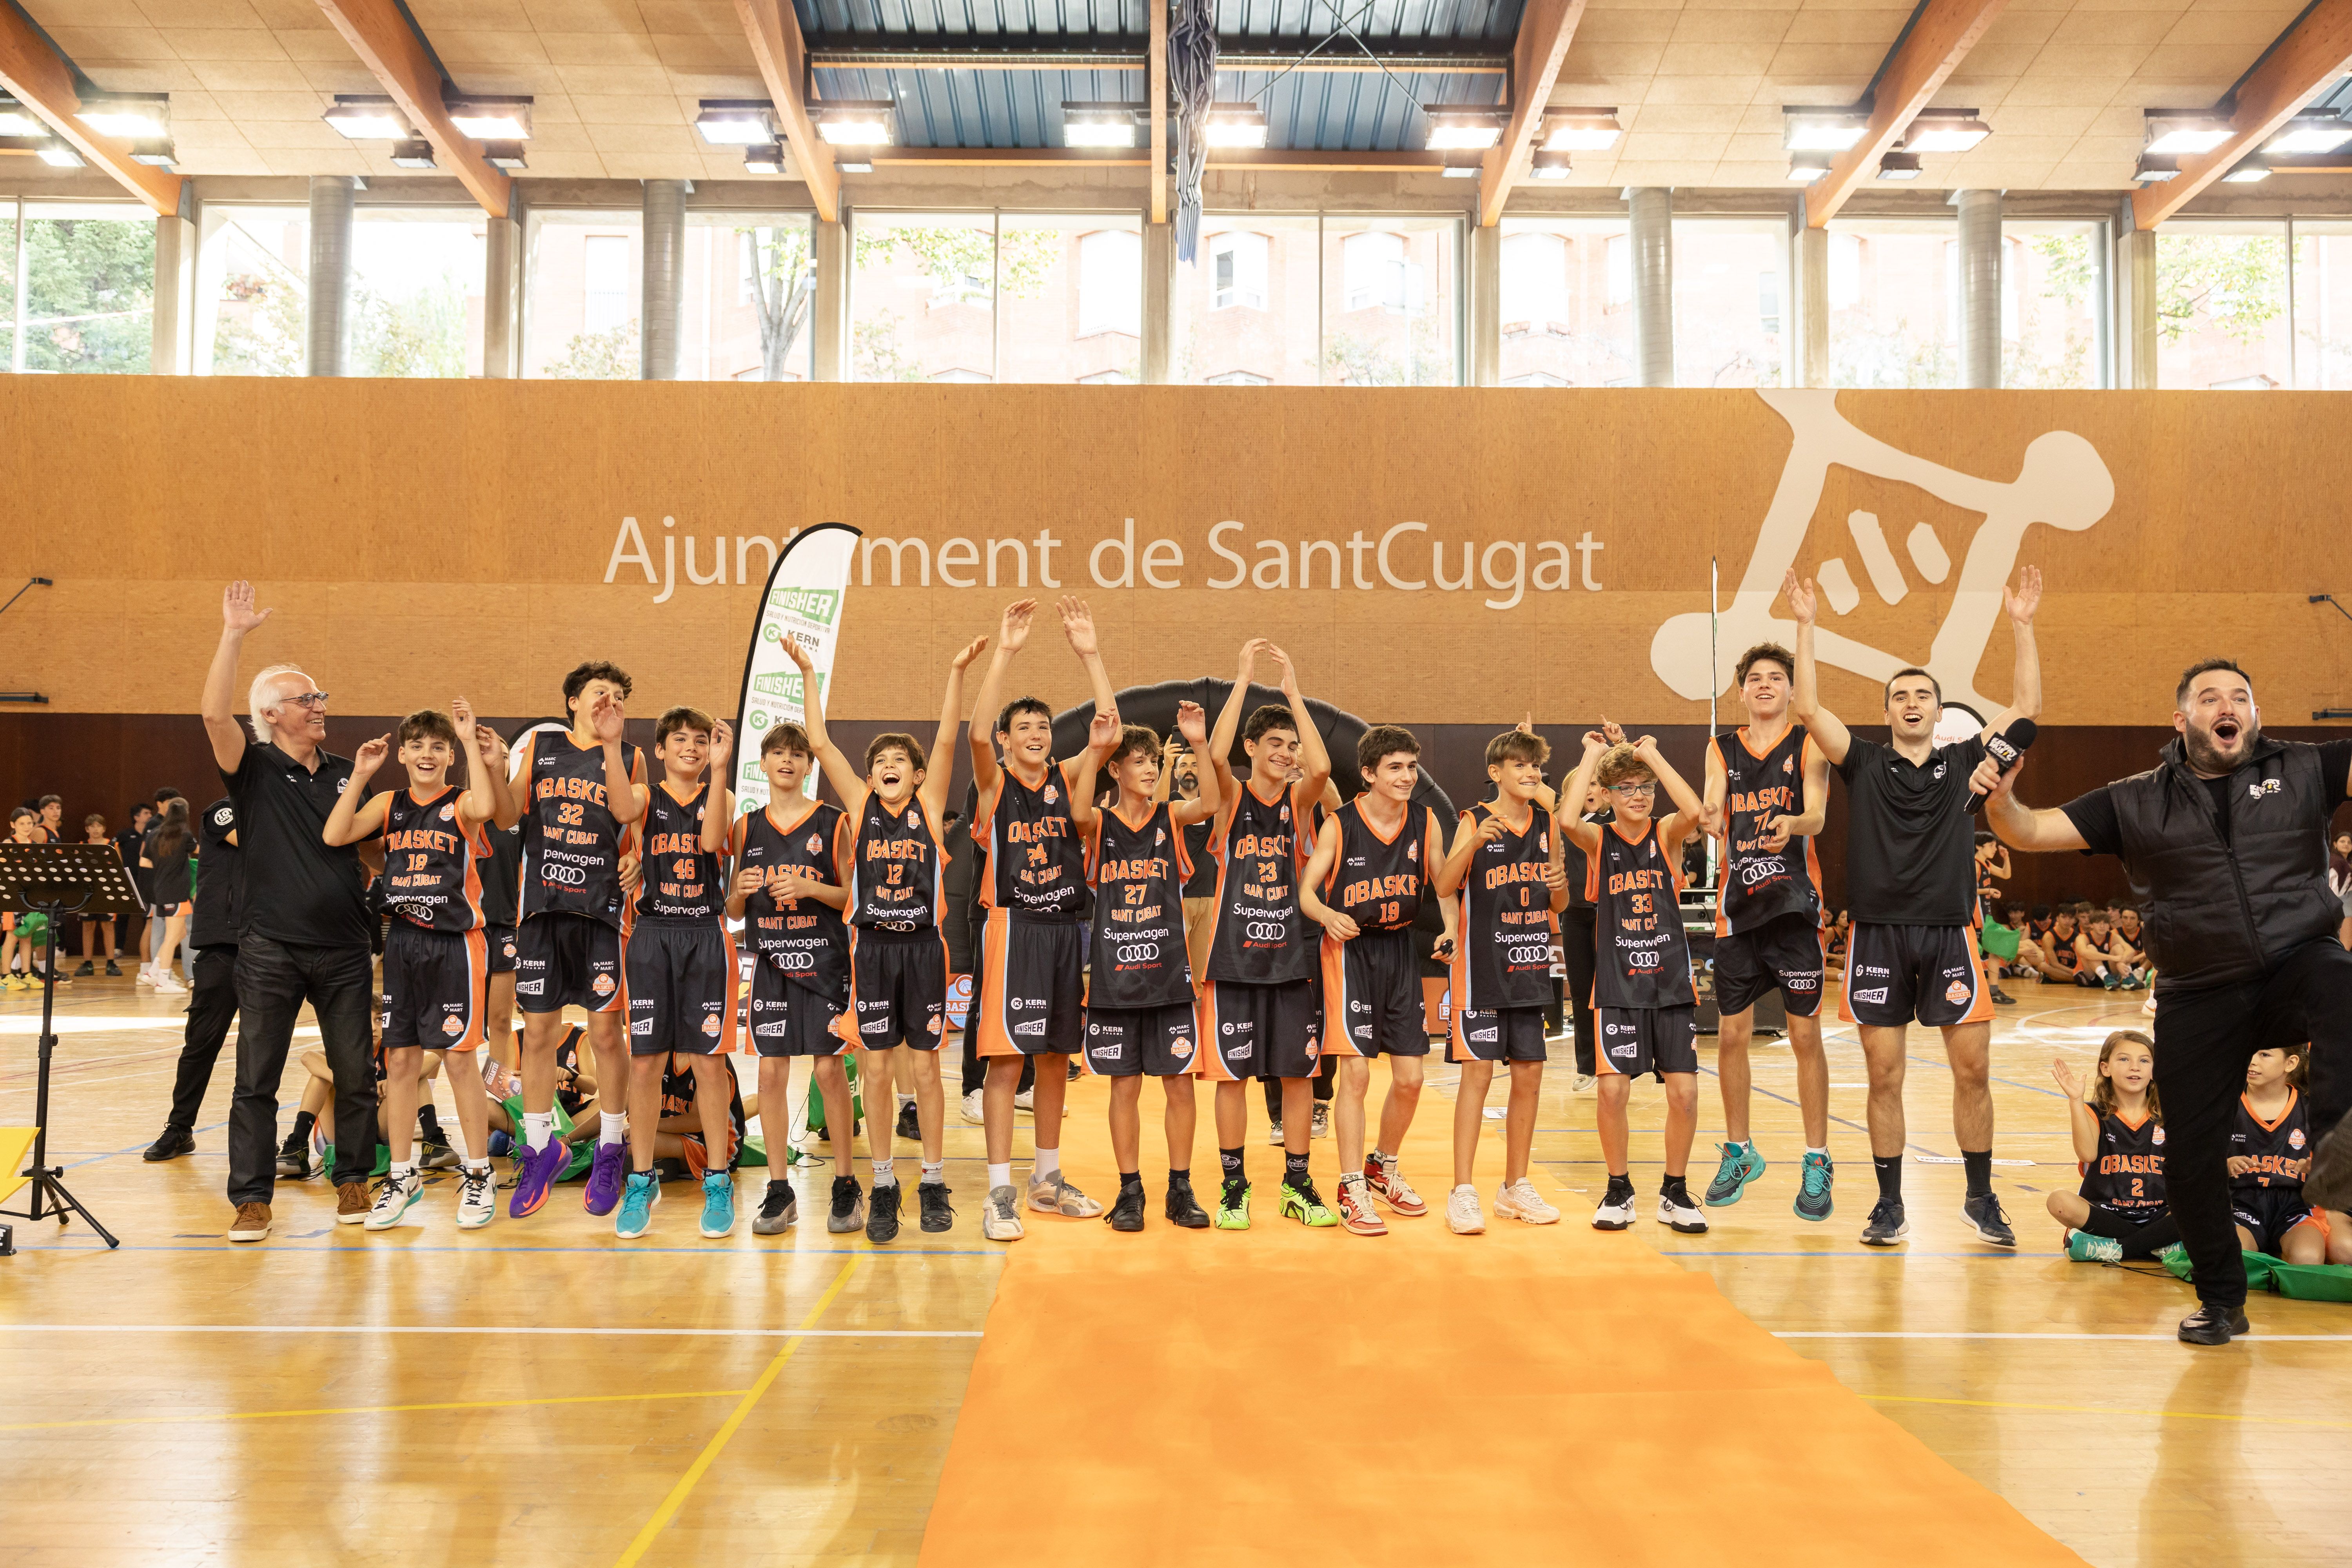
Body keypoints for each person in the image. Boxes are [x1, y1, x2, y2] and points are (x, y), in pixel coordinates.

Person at [1985, 657, 2352, 1342]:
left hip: (2296, 960)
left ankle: (2338, 1148)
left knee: (2343, 981)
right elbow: (2028, 831)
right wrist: (2001, 797)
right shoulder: (2133, 800)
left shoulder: (2308, 767)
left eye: (2241, 696)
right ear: (2181, 720)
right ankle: (2222, 1301)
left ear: (2255, 716)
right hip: (2198, 990)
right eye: (2210, 697)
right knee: (2187, 1161)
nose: (2229, 705)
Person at [1788, 563, 2040, 1250]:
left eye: (1922, 695)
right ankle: (1890, 1205)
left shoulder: (1965, 762)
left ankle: (1981, 1199)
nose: (1910, 703)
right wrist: (1807, 626)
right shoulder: (1863, 762)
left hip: (1949, 934)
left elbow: (2024, 711)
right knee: (1884, 1076)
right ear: (1888, 709)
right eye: (1900, 695)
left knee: (1974, 1071)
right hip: (1877, 937)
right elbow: (1808, 709)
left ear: (1937, 710)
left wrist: (2021, 627)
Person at [791, 633, 985, 1240]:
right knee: (875, 1071)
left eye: (901, 761)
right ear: (870, 776)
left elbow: (950, 736)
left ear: (919, 774)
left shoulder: (928, 807)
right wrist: (807, 671)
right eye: (881, 763)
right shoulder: (859, 804)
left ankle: (930, 1179)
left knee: (925, 1072)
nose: (889, 768)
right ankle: (881, 1182)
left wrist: (956, 669)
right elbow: (819, 741)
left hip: (924, 949)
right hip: (871, 949)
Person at [202, 581, 380, 1243]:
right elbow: (215, 718)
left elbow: (371, 854)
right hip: (270, 948)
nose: (319, 707)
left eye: (320, 697)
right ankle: (252, 1198)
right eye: (308, 699)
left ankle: (355, 1179)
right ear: (273, 714)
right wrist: (234, 636)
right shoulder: (250, 769)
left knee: (356, 1071)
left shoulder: (346, 771)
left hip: (342, 949)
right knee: (257, 1076)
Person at [964, 597, 1123, 1242]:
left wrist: (1090, 654)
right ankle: (1000, 1190)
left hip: (1066, 932)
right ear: (1008, 740)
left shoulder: (1068, 776)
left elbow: (1108, 729)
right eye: (1024, 728)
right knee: (1008, 1063)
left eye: (1043, 727)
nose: (1036, 735)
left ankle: (1047, 1181)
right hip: (1013, 929)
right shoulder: (996, 785)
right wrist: (1005, 651)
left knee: (1057, 1058)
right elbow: (976, 734)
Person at [321, 702, 513, 1232]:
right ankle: (402, 1176)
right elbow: (336, 836)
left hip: (457, 944)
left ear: (450, 756)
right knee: (401, 1063)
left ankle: (478, 1173)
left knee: (457, 1062)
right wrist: (360, 774)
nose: (427, 754)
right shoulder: (389, 802)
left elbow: (486, 801)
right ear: (402, 753)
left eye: (438, 746)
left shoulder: (461, 803)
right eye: (418, 746)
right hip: (403, 941)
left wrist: (472, 739)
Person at [1194, 639, 1337, 1231]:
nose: (1285, 753)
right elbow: (1218, 755)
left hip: (1292, 959)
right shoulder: (1230, 800)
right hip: (1232, 961)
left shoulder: (1301, 805)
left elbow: (1324, 770)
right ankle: (1234, 1186)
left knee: (1297, 1075)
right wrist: (1244, 677)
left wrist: (1295, 694)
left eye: (1290, 745)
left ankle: (1298, 1184)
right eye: (1273, 744)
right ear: (1254, 749)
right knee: (1232, 1079)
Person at [1068, 705, 1221, 1231]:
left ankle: (1180, 1188)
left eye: (1153, 760)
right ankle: (1129, 1190)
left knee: (1179, 1085)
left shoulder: (1170, 817)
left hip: (1169, 975)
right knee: (1124, 1087)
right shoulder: (1102, 824)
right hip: (1114, 977)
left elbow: (1215, 801)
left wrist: (1199, 745)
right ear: (1117, 770)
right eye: (1137, 761)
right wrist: (1095, 749)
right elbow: (1077, 813)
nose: (1151, 769)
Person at [505, 662, 648, 1220]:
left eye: (618, 696)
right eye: (598, 693)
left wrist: (635, 857)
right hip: (542, 909)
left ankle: (612, 1144)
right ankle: (541, 1149)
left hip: (603, 915)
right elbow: (505, 810)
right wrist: (493, 764)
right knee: (538, 1033)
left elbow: (628, 818)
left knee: (608, 1035)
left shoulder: (630, 756)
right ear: (571, 700)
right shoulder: (540, 747)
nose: (608, 702)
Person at [1699, 641, 1835, 1221]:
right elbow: (1712, 806)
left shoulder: (1810, 743)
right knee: (1731, 1036)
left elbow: (1818, 814)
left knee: (1805, 1038)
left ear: (1789, 689)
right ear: (1742, 689)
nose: (1764, 686)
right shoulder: (1721, 748)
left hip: (1794, 910)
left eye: (1775, 678)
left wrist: (1792, 823)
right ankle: (1740, 1150)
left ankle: (1817, 1157)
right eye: (1755, 678)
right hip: (1737, 910)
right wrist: (1706, 816)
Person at [1297, 726, 1452, 1236]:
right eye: (1396, 768)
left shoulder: (1425, 822)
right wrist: (1326, 915)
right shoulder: (1341, 825)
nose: (1407, 777)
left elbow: (1443, 883)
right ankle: (1350, 1186)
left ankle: (1381, 1167)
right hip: (1350, 953)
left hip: (1400, 951)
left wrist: (1451, 926)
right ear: (1369, 774)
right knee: (1358, 1076)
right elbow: (1307, 891)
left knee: (1410, 1079)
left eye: (1411, 767)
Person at [1559, 726, 1710, 1234]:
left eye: (1645, 787)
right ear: (1610, 793)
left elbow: (1695, 812)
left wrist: (1654, 757)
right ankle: (1618, 1188)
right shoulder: (1600, 840)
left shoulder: (1666, 833)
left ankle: (1676, 1189)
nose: (1639, 795)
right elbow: (1565, 817)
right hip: (1619, 987)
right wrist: (1592, 756)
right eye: (1626, 788)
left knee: (1685, 1094)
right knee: (1612, 1094)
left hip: (1670, 984)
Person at [608, 708, 739, 1241]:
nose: (690, 747)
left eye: (700, 741)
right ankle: (640, 1179)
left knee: (708, 1065)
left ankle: (718, 1180)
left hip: (705, 935)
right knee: (645, 1065)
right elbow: (619, 805)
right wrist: (613, 741)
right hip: (653, 934)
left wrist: (723, 770)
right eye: (679, 740)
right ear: (659, 749)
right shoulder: (644, 796)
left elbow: (710, 843)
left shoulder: (722, 797)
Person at [1434, 726, 1568, 1234]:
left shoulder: (1546, 824)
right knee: (1479, 1076)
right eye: (1520, 765)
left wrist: (1559, 887)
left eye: (1535, 766)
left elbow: (1559, 903)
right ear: (1496, 773)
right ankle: (1462, 1191)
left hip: (1531, 967)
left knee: (1530, 1076)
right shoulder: (1473, 819)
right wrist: (1471, 847)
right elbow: (1444, 885)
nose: (1531, 773)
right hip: (1482, 972)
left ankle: (1515, 1186)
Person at [142, 796, 242, 1161]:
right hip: (222, 946)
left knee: (261, 1049)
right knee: (200, 1044)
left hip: (272, 944)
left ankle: (254, 1140)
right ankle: (179, 1128)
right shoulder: (222, 811)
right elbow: (260, 843)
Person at [2046, 1031, 2179, 1264]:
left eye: (2144, 1060)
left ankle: (2114, 1248)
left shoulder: (2170, 1114)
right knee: (2058, 1201)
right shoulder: (2094, 1112)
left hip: (2159, 1213)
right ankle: (2156, 1245)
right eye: (2124, 1059)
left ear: (2155, 1070)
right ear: (2106, 1068)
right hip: (2106, 1214)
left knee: (2215, 1203)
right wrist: (2075, 1101)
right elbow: (2087, 1154)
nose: (2135, 1067)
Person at [2228, 1047, 2341, 1265]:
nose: (2252, 1061)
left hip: (2296, 1205)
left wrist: (2317, 1169)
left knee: (2307, 1259)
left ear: (2290, 1063)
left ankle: (2278, 1252)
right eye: (2249, 1052)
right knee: (2233, 1258)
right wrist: (2224, 1165)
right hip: (2239, 1203)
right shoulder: (2226, 1105)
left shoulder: (2313, 1109)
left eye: (2264, 1055)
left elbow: (2336, 1177)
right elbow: (2196, 1165)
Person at [1557, 774, 1609, 1092]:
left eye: (1594, 784)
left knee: (1611, 990)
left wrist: (1618, 746)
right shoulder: (1563, 822)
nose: (1589, 791)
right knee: (1580, 992)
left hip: (1609, 914)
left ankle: (1619, 1058)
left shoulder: (1613, 819)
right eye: (1582, 786)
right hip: (1574, 915)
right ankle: (1587, 1066)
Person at [139, 797, 194, 994]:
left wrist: (163, 867)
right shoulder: (185, 835)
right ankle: (162, 982)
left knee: (180, 933)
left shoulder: (153, 834)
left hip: (160, 890)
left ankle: (152, 972)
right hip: (177, 891)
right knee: (172, 937)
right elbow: (199, 852)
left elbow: (144, 863)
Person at [75, 813, 122, 976]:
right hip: (87, 892)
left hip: (107, 891)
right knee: (88, 926)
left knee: (108, 926)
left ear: (104, 828)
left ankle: (111, 963)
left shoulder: (112, 845)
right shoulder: (81, 845)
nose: (96, 829)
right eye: (92, 826)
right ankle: (88, 963)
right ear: (87, 829)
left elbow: (119, 869)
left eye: (99, 826)